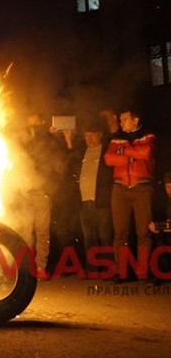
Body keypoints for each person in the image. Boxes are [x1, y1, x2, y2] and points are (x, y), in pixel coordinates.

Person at [104, 107, 157, 283]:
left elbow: (147, 152)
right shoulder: (117, 138)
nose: (121, 122)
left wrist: (124, 152)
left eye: (125, 119)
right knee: (120, 233)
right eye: (120, 120)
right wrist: (133, 156)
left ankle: (143, 273)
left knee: (143, 232)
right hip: (119, 188)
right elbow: (108, 159)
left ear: (135, 120)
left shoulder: (148, 135)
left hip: (142, 188)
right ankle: (122, 272)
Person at [19, 112, 66, 281]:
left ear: (41, 121)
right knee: (24, 228)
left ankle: (40, 267)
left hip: (41, 191)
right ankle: (24, 266)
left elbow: (57, 164)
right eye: (29, 120)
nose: (31, 123)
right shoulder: (22, 140)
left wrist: (49, 186)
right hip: (25, 191)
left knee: (42, 231)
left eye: (35, 121)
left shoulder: (48, 140)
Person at [72, 118, 114, 275]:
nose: (89, 139)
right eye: (86, 136)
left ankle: (109, 269)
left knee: (105, 237)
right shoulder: (82, 152)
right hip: (85, 203)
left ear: (100, 135)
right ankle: (92, 269)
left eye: (92, 135)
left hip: (101, 203)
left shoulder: (106, 151)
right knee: (89, 238)